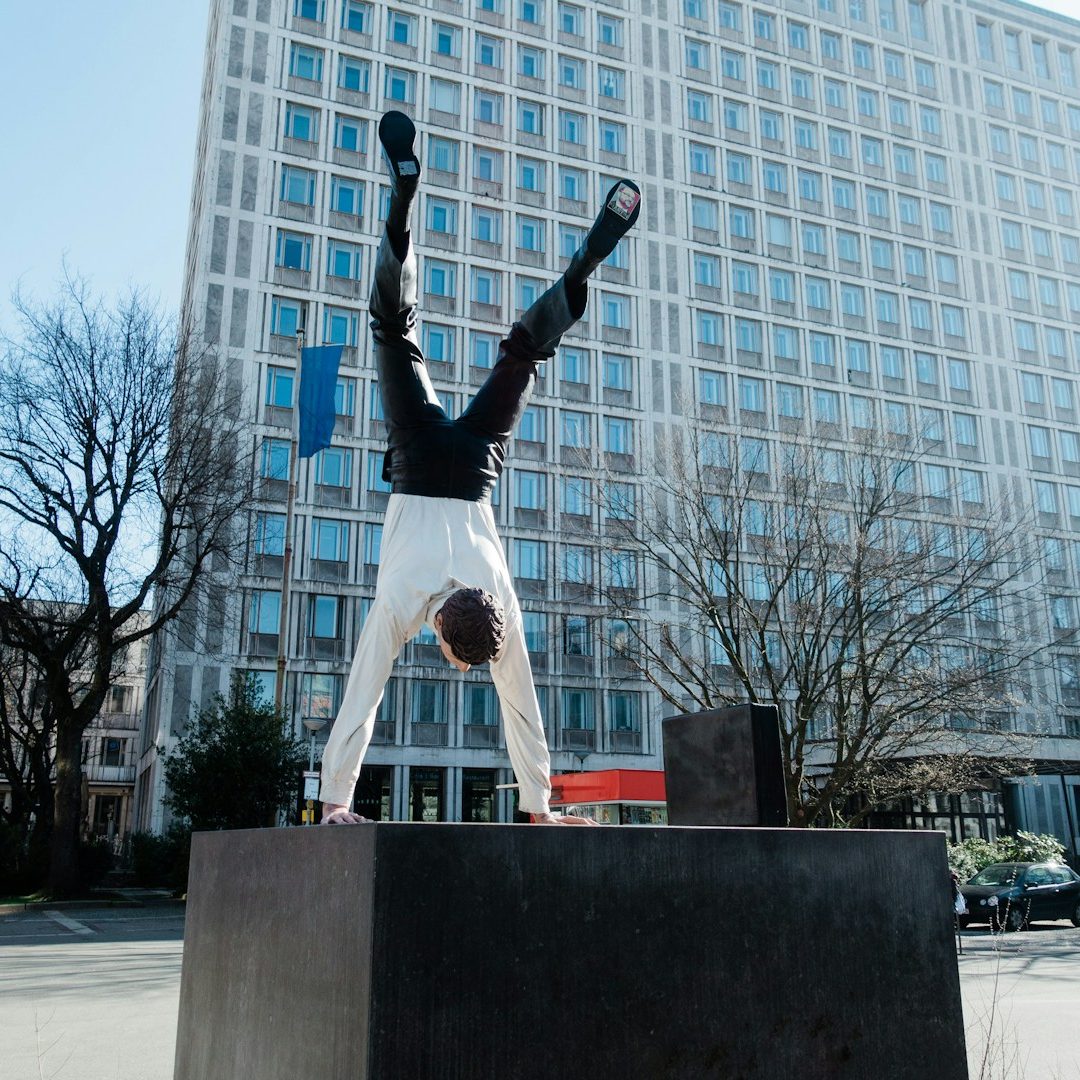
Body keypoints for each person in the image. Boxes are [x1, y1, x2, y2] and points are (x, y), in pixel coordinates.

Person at [319, 111, 641, 825]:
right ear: (441, 632)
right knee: (392, 329)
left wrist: (540, 805)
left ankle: (578, 270)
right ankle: (400, 204)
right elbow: (363, 698)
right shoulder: (406, 602)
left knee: (523, 353)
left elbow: (521, 708)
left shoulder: (499, 602)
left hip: (473, 467)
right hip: (416, 458)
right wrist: (334, 801)